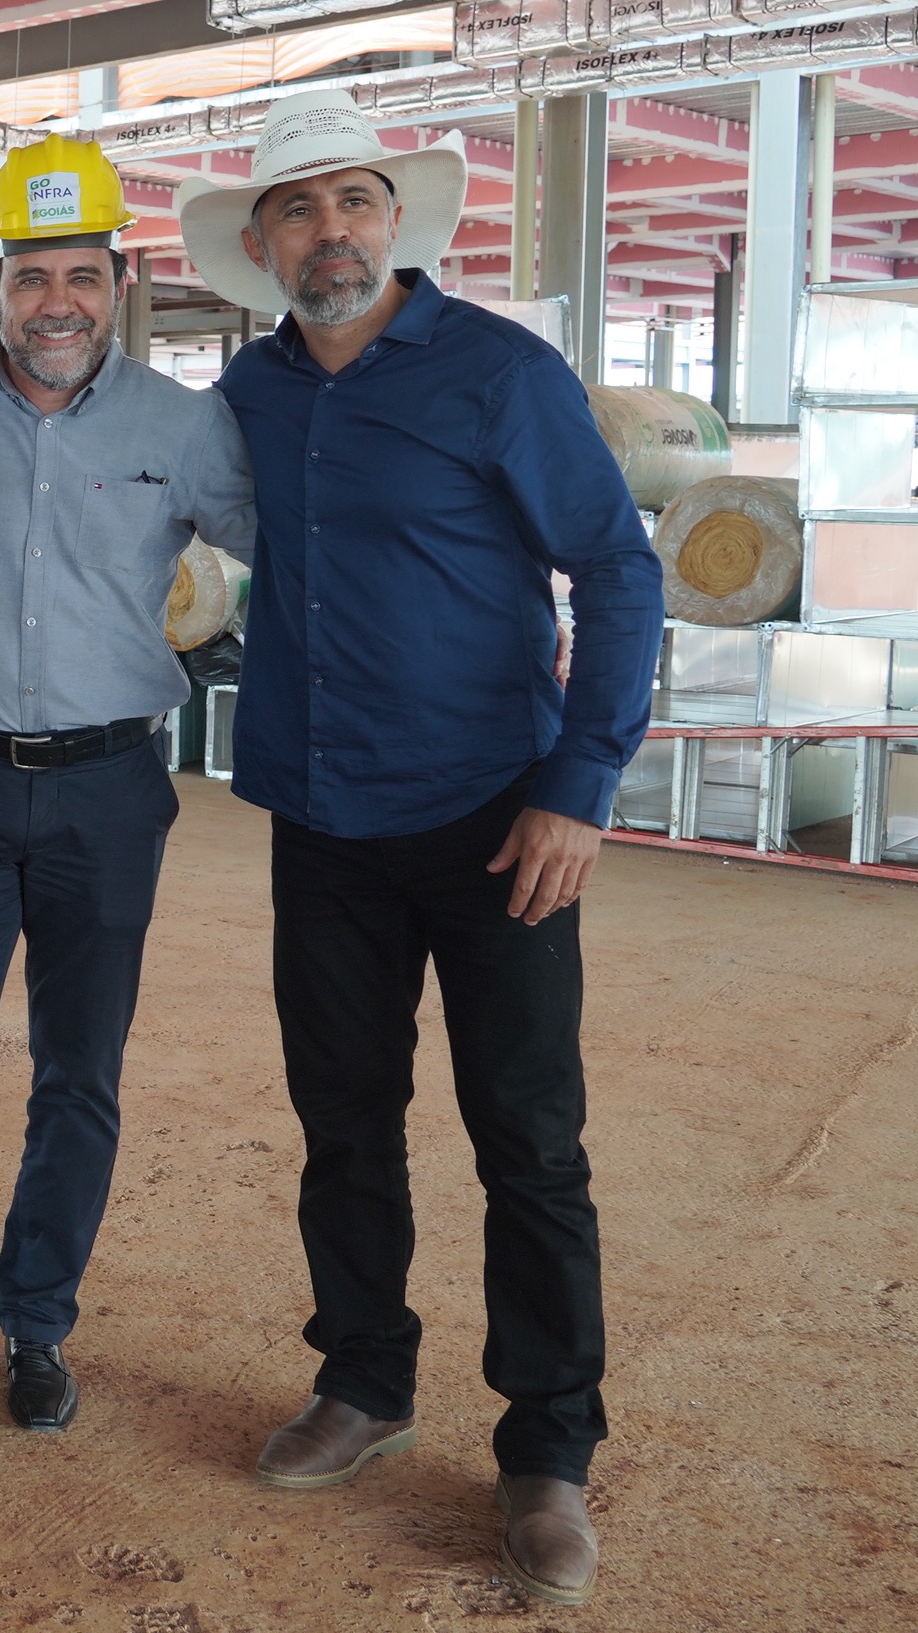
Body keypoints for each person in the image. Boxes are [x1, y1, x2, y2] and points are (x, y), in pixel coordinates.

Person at [181, 91, 662, 1607]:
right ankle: (363, 1380)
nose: (329, 231)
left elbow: (619, 570)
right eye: (297, 208)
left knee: (527, 1137)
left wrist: (580, 784)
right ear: (261, 245)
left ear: (393, 221)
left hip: (495, 819)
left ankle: (548, 1450)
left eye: (353, 201)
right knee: (342, 1120)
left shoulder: (498, 373)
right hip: (323, 819)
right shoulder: (249, 391)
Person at [0, 136, 259, 1450]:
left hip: (109, 790)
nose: (56, 303)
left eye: (80, 276)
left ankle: (35, 1325)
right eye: (30, 277)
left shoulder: (184, 427)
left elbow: (297, 537)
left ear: (118, 283)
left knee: (78, 1072)